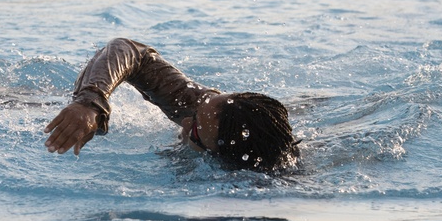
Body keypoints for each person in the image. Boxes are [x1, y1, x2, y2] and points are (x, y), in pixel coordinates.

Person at [44, 38, 298, 171]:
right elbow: (129, 51)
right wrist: (90, 102)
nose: (185, 120)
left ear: (218, 159)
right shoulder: (214, 112)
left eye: (196, 130)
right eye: (198, 108)